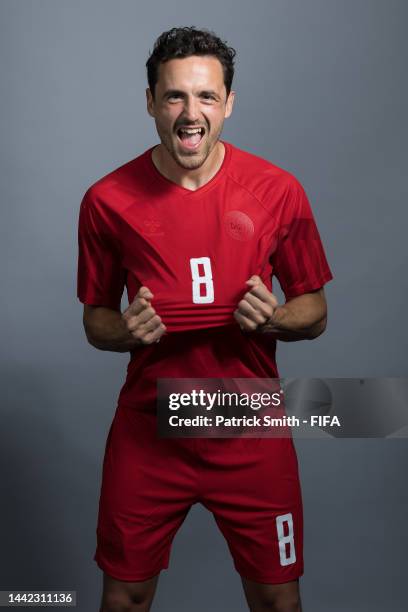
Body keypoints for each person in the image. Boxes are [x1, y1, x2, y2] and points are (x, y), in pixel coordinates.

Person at [77, 26, 333, 612]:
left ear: (229, 104)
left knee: (277, 602)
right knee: (125, 598)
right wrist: (125, 329)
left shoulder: (277, 190)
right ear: (150, 102)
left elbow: (315, 312)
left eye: (206, 96)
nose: (190, 113)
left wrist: (274, 319)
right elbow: (95, 321)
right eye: (174, 96)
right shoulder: (106, 199)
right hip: (151, 430)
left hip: (249, 429)